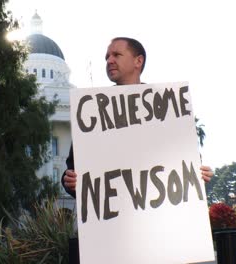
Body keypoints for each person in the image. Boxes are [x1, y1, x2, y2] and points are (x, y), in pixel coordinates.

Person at [61, 37, 213, 197]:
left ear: (138, 61)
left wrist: (200, 173)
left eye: (116, 55)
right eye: (107, 57)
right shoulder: (92, 111)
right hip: (113, 215)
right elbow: (75, 169)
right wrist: (69, 181)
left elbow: (185, 161)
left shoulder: (166, 106)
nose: (109, 61)